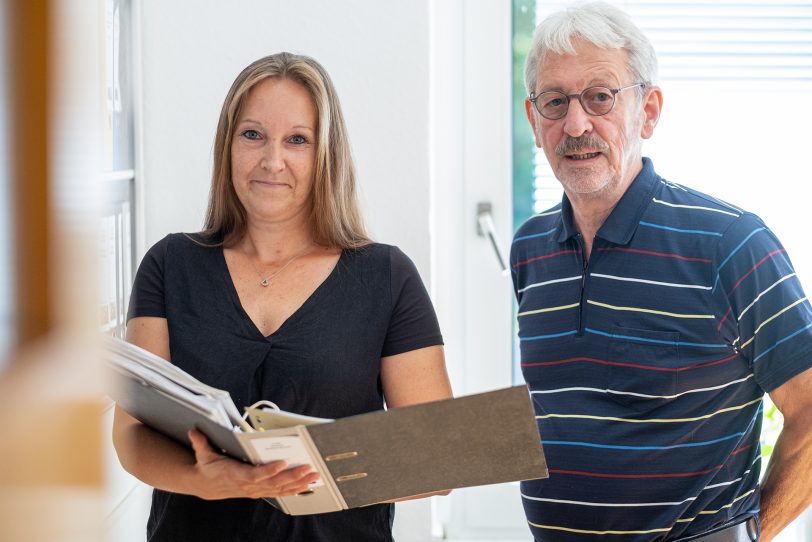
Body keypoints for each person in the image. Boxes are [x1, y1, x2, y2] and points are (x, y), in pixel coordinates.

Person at [112, 52, 453, 542]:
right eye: (253, 135)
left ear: (326, 155)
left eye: (298, 140)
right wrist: (202, 481)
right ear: (227, 145)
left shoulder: (387, 275)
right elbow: (131, 435)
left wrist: (311, 469)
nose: (273, 161)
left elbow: (437, 461)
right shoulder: (170, 265)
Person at [511, 2, 812, 541]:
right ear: (535, 122)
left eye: (600, 97)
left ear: (648, 111)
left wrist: (752, 534)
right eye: (555, 102)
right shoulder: (531, 249)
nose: (575, 124)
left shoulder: (731, 243)